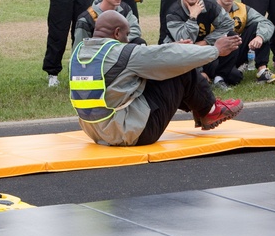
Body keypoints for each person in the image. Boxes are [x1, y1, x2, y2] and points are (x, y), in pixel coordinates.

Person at [69, 10, 244, 146]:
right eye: (126, 35)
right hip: (132, 133)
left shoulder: (78, 54)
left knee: (161, 67)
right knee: (181, 67)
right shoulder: (122, 53)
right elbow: (170, 58)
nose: (128, 39)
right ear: (116, 33)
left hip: (95, 132)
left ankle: (203, 109)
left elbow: (146, 58)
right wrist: (215, 50)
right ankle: (209, 110)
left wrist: (172, 46)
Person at [162, 0, 236, 89]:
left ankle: (219, 78)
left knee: (232, 38)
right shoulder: (173, 12)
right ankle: (199, 75)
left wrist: (206, 42)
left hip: (204, 51)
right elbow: (185, 40)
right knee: (195, 81)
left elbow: (228, 25)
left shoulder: (210, 5)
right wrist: (193, 17)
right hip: (183, 56)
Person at [215, 0, 275, 84]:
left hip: (236, 50)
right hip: (216, 54)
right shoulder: (210, 8)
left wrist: (260, 37)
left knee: (258, 27)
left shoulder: (242, 9)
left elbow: (267, 23)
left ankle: (262, 71)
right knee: (235, 78)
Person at [74, 0, 144, 44]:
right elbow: (79, 47)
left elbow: (135, 30)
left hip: (120, 50)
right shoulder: (86, 19)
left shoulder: (125, 9)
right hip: (98, 53)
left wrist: (115, 43)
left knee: (139, 42)